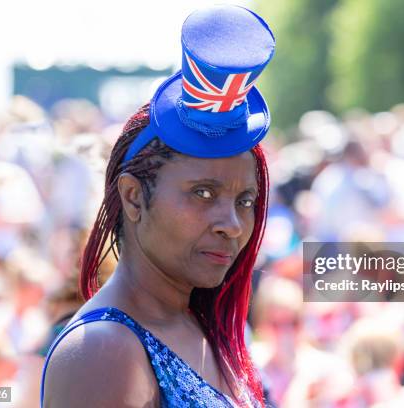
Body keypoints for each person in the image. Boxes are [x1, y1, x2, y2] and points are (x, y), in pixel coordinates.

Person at [40, 5, 275, 407]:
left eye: (245, 200)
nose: (232, 224)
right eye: (202, 193)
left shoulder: (198, 324)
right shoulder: (102, 351)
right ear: (133, 196)